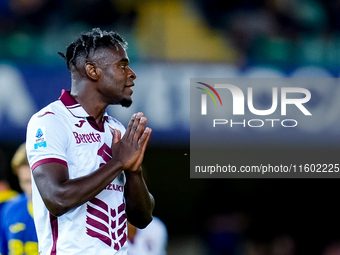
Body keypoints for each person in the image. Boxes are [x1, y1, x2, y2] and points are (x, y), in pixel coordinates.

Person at [26, 28, 154, 255]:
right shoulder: (50, 122)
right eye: (122, 65)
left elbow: (142, 219)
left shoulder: (116, 129)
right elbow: (57, 199)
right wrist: (117, 163)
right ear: (93, 71)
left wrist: (134, 172)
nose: (132, 74)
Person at [0, 143, 38, 255]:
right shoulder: (9, 209)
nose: (31, 188)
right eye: (26, 181)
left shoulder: (63, 211)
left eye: (35, 181)